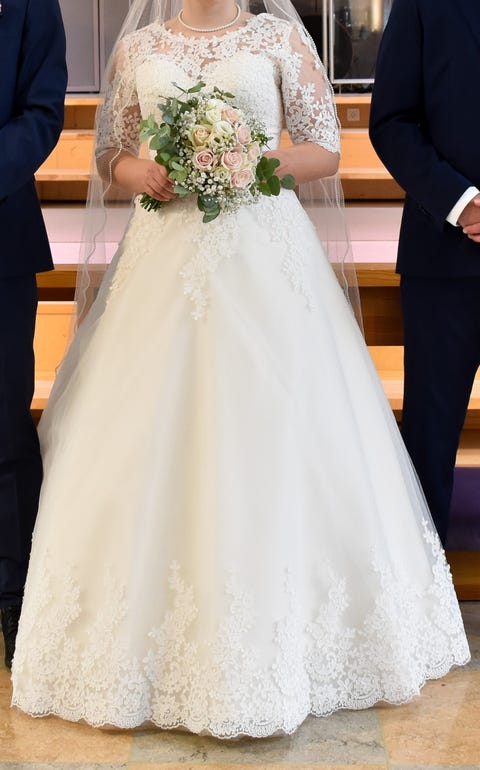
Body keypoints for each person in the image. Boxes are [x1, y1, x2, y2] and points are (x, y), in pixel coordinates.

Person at [11, 0, 469, 737]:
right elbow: (110, 152)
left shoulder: (279, 39)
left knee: (278, 431)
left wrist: (254, 162)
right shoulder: (138, 50)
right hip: (163, 258)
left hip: (264, 253)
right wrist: (142, 171)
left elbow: (324, 148)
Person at [369, 0, 480, 546]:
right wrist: (463, 203)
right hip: (443, 256)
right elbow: (391, 121)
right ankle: (424, 581)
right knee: (429, 439)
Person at [0, 0, 67, 669]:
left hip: (2, 241)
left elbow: (42, 113)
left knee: (4, 425)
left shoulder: (30, 6)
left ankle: (15, 596)